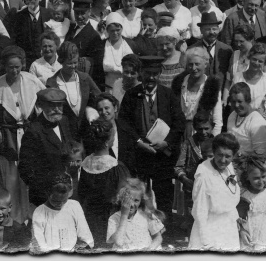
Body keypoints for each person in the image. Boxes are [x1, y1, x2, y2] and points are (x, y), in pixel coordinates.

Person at [117, 55, 186, 220]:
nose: (151, 78)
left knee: (163, 194)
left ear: (160, 73)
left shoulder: (168, 95)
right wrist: (139, 142)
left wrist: (166, 142)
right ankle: (140, 225)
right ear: (141, 72)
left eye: (155, 74)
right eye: (148, 73)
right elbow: (124, 123)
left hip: (163, 155)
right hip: (140, 155)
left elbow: (179, 123)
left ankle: (164, 227)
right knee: (139, 193)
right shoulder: (131, 95)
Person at [0, 46, 44, 224]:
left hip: (29, 137)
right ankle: (13, 221)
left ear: (23, 65)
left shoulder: (31, 80)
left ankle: (30, 219)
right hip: (8, 139)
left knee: (28, 179)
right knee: (11, 180)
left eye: (18, 67)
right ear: (4, 66)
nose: (14, 70)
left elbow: (41, 105)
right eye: (11, 67)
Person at [77, 119, 131, 246]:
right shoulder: (117, 167)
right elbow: (126, 199)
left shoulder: (85, 164)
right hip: (111, 221)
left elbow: (81, 194)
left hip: (89, 220)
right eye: (113, 136)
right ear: (107, 142)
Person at [188, 133, 242, 251]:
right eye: (219, 155)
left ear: (233, 156)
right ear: (213, 152)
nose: (223, 160)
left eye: (228, 156)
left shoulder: (229, 167)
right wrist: (206, 242)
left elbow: (230, 196)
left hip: (228, 227)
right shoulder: (203, 174)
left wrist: (235, 218)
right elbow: (200, 211)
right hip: (209, 228)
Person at [31, 172, 93, 253]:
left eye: (64, 200)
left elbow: (84, 232)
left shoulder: (74, 206)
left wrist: (84, 244)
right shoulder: (39, 212)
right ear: (48, 194)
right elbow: (39, 241)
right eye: (55, 201)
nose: (60, 204)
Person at [107, 178, 165, 251]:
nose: (131, 204)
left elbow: (158, 237)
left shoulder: (146, 214)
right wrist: (124, 216)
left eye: (136, 200)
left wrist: (150, 249)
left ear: (141, 201)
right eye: (128, 200)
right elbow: (119, 242)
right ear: (121, 199)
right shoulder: (114, 218)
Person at [226, 82, 266, 160]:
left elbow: (262, 155)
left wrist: (242, 154)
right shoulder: (232, 115)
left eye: (240, 101)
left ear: (248, 100)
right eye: (233, 101)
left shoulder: (258, 123)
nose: (236, 105)